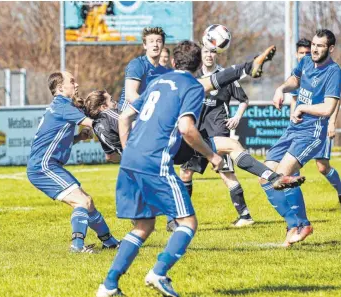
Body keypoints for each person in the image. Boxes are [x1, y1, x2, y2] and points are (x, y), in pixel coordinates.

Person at [95, 41, 305, 297]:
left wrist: (128, 147)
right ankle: (158, 273)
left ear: (173, 62)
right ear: (196, 66)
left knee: (143, 226)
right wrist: (211, 156)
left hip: (131, 160)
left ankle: (108, 287)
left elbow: (126, 116)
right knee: (188, 223)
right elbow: (186, 128)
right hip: (157, 159)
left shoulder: (157, 84)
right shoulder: (191, 86)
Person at [261, 29, 341, 246]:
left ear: (330, 49)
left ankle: (299, 224)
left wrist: (302, 107)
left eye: (321, 46)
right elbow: (294, 80)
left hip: (312, 132)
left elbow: (328, 108)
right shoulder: (306, 61)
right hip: (293, 128)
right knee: (265, 176)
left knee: (280, 177)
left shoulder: (334, 72)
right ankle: (296, 223)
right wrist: (281, 89)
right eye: (314, 44)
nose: (315, 48)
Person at [27, 71, 119, 253]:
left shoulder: (61, 106)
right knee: (82, 202)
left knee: (88, 203)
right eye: (72, 81)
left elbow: (54, 138)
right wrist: (116, 121)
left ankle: (110, 243)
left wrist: (77, 138)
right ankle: (77, 246)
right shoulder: (63, 107)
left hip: (46, 166)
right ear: (61, 88)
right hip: (43, 168)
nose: (76, 85)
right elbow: (93, 122)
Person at [179, 45, 254, 228]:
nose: (209, 55)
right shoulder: (194, 77)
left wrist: (236, 117)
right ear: (200, 55)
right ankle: (181, 217)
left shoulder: (225, 76)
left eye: (212, 52)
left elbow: (244, 100)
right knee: (185, 173)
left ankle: (245, 215)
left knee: (225, 172)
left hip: (218, 131)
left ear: (217, 54)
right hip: (196, 133)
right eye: (205, 52)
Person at [290, 38, 341, 205]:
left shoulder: (330, 71)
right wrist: (293, 117)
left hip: (321, 125)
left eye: (308, 51)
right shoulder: (300, 72)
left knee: (322, 167)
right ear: (297, 54)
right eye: (302, 53)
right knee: (291, 166)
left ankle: (340, 190)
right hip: (301, 126)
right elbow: (294, 100)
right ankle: (295, 209)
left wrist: (332, 123)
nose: (307, 54)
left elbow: (332, 103)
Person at [118, 27, 171, 112]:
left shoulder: (165, 72)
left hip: (148, 115)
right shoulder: (137, 64)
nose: (155, 44)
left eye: (159, 41)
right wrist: (153, 110)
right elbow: (130, 95)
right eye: (151, 41)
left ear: (163, 45)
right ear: (145, 45)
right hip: (128, 114)